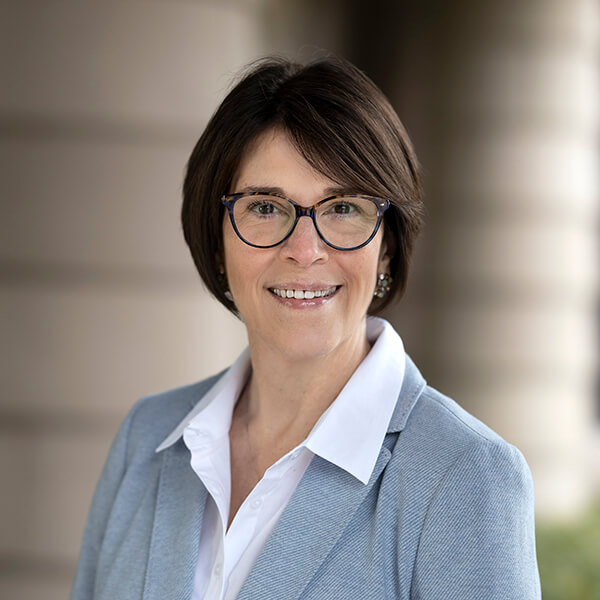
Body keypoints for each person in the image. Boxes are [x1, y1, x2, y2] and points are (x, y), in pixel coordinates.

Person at [70, 56, 541, 600]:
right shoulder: (146, 439)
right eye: (266, 206)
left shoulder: (465, 477)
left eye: (342, 207)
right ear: (217, 240)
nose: (304, 250)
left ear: (386, 244)